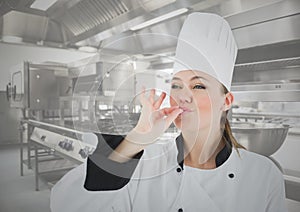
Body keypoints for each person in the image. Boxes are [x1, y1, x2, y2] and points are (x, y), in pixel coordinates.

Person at [50, 13, 287, 212]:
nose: (182, 96)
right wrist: (135, 140)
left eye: (198, 86)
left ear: (226, 101)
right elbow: (65, 203)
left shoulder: (263, 175)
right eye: (175, 85)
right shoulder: (142, 166)